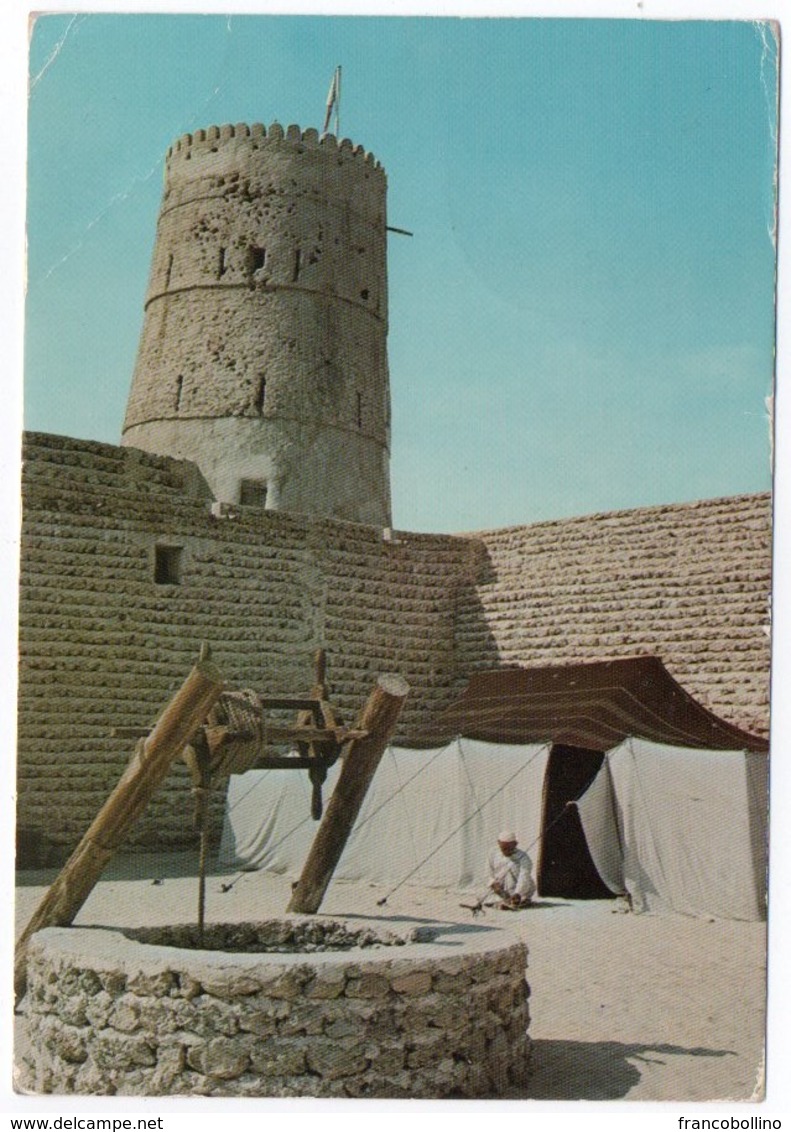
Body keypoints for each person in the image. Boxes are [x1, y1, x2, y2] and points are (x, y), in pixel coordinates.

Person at [488, 830, 536, 909]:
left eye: (509, 848)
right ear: (498, 843)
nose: (506, 851)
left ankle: (515, 901)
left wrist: (518, 893)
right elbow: (489, 873)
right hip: (500, 889)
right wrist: (493, 883)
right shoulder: (493, 853)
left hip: (518, 889)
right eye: (504, 848)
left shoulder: (524, 858)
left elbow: (524, 877)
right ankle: (503, 902)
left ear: (515, 844)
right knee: (482, 894)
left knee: (521, 897)